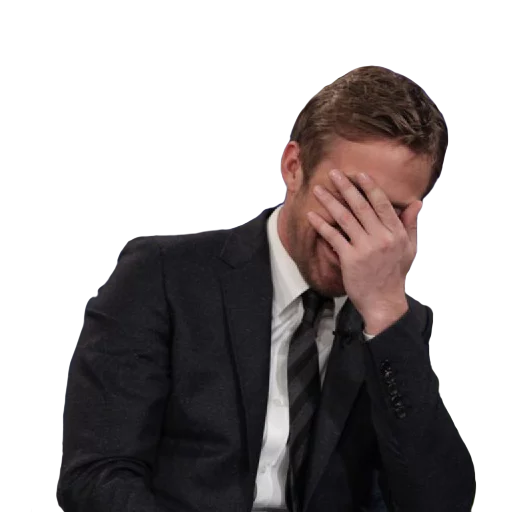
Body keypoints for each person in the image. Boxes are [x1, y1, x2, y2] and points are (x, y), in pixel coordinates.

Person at [30, 65, 476, 512]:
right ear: (294, 168)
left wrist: (385, 316)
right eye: (346, 199)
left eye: (386, 213)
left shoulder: (397, 322)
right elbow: (99, 475)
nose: (356, 231)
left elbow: (441, 503)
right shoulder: (164, 274)